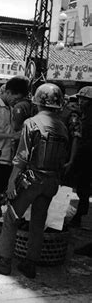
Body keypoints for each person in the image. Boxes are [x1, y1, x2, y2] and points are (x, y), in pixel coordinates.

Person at [0, 83, 69, 279]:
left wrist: (12, 182)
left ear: (37, 101)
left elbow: (21, 156)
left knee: (11, 218)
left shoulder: (31, 123)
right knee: (38, 221)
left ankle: (4, 262)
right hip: (51, 181)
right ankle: (30, 264)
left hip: (32, 179)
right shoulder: (62, 126)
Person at [0, 76, 29, 238]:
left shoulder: (9, 108)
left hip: (5, 160)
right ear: (8, 92)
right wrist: (11, 136)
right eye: (16, 97)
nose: (17, 101)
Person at [69, 86, 92, 227]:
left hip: (87, 156)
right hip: (79, 155)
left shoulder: (88, 118)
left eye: (85, 99)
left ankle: (79, 215)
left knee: (83, 187)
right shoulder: (80, 114)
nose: (81, 101)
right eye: (80, 98)